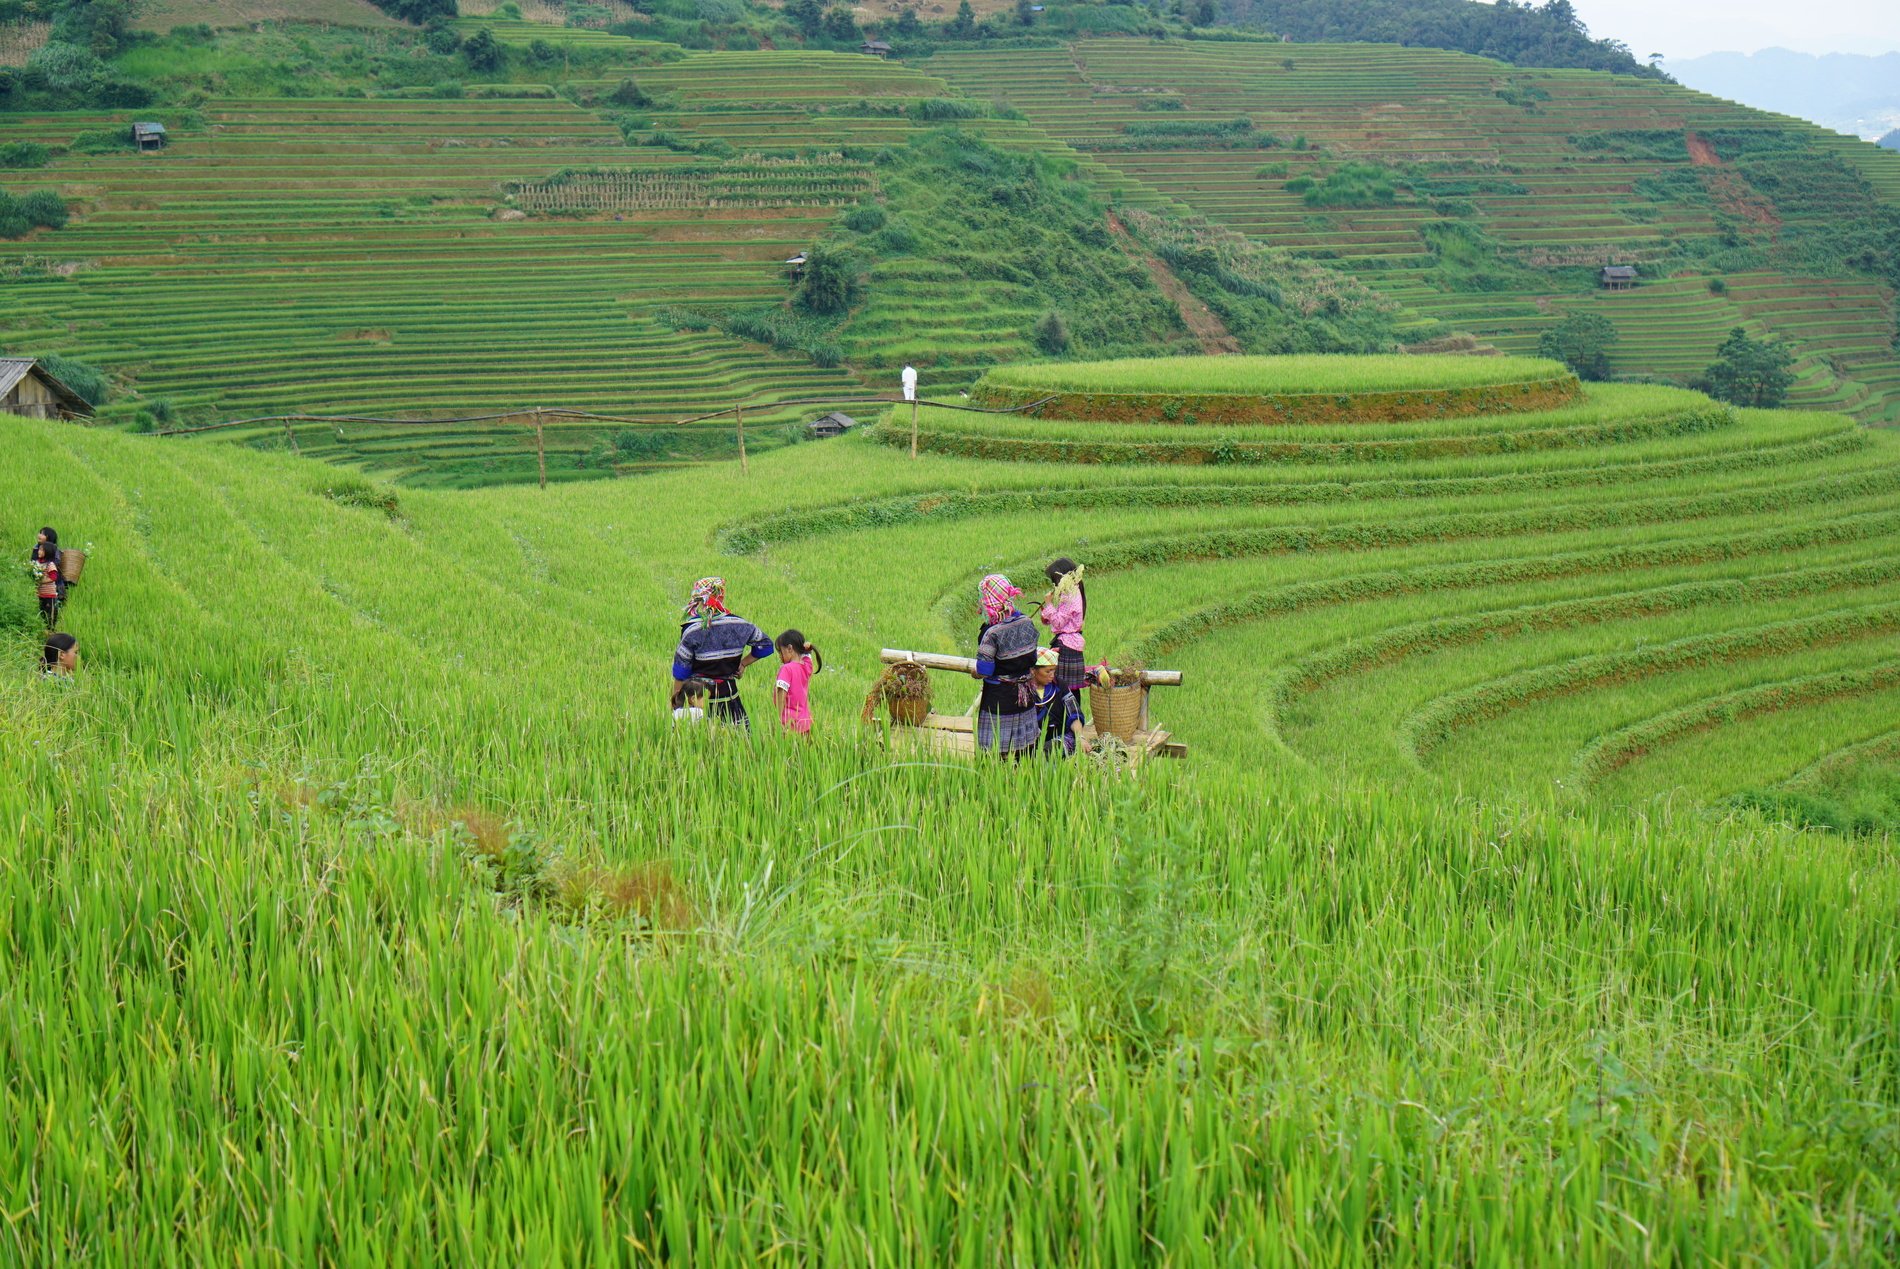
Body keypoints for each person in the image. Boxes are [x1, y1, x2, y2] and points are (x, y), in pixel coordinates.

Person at [670, 576, 773, 727]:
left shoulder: (692, 630)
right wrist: (743, 663)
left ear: (699, 599)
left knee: (701, 743)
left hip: (699, 698)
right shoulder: (740, 624)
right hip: (729, 694)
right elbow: (766, 645)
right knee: (736, 738)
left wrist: (677, 700)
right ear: (721, 596)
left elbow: (681, 671)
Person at [969, 572, 1040, 758]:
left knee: (996, 752)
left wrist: (974, 672)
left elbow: (985, 669)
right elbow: (1033, 656)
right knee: (1024, 751)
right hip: (1026, 695)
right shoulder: (1026, 621)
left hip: (999, 698)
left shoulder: (991, 632)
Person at [1037, 556, 1088, 694]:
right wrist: (1047, 616)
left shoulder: (1069, 596)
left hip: (1066, 646)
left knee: (1060, 688)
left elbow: (1059, 622)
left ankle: (1060, 716)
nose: (1054, 584)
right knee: (1072, 690)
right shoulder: (1075, 591)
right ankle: (1076, 715)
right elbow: (1062, 618)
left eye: (1054, 580)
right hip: (1072, 645)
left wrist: (1048, 604)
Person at [1030, 646, 1088, 757]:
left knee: (1063, 745)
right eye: (1047, 671)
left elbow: (1074, 713)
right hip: (1032, 741)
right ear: (1033, 671)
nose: (1052, 675)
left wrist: (1080, 737)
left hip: (1059, 738)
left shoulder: (1060, 685)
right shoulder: (1024, 691)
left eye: (1054, 670)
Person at [773, 629, 822, 736]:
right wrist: (807, 648)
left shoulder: (786, 669)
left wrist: (778, 720)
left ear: (790, 648)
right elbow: (807, 655)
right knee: (803, 752)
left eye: (781, 651)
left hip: (789, 724)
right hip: (805, 723)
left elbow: (781, 694)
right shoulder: (806, 666)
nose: (780, 656)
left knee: (788, 752)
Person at [29, 528, 62, 629]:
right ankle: (44, 627)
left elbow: (53, 576)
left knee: (50, 610)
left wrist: (42, 580)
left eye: (42, 534)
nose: (39, 535)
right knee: (41, 610)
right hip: (40, 592)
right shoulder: (38, 560)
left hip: (50, 593)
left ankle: (51, 628)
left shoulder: (50, 563)